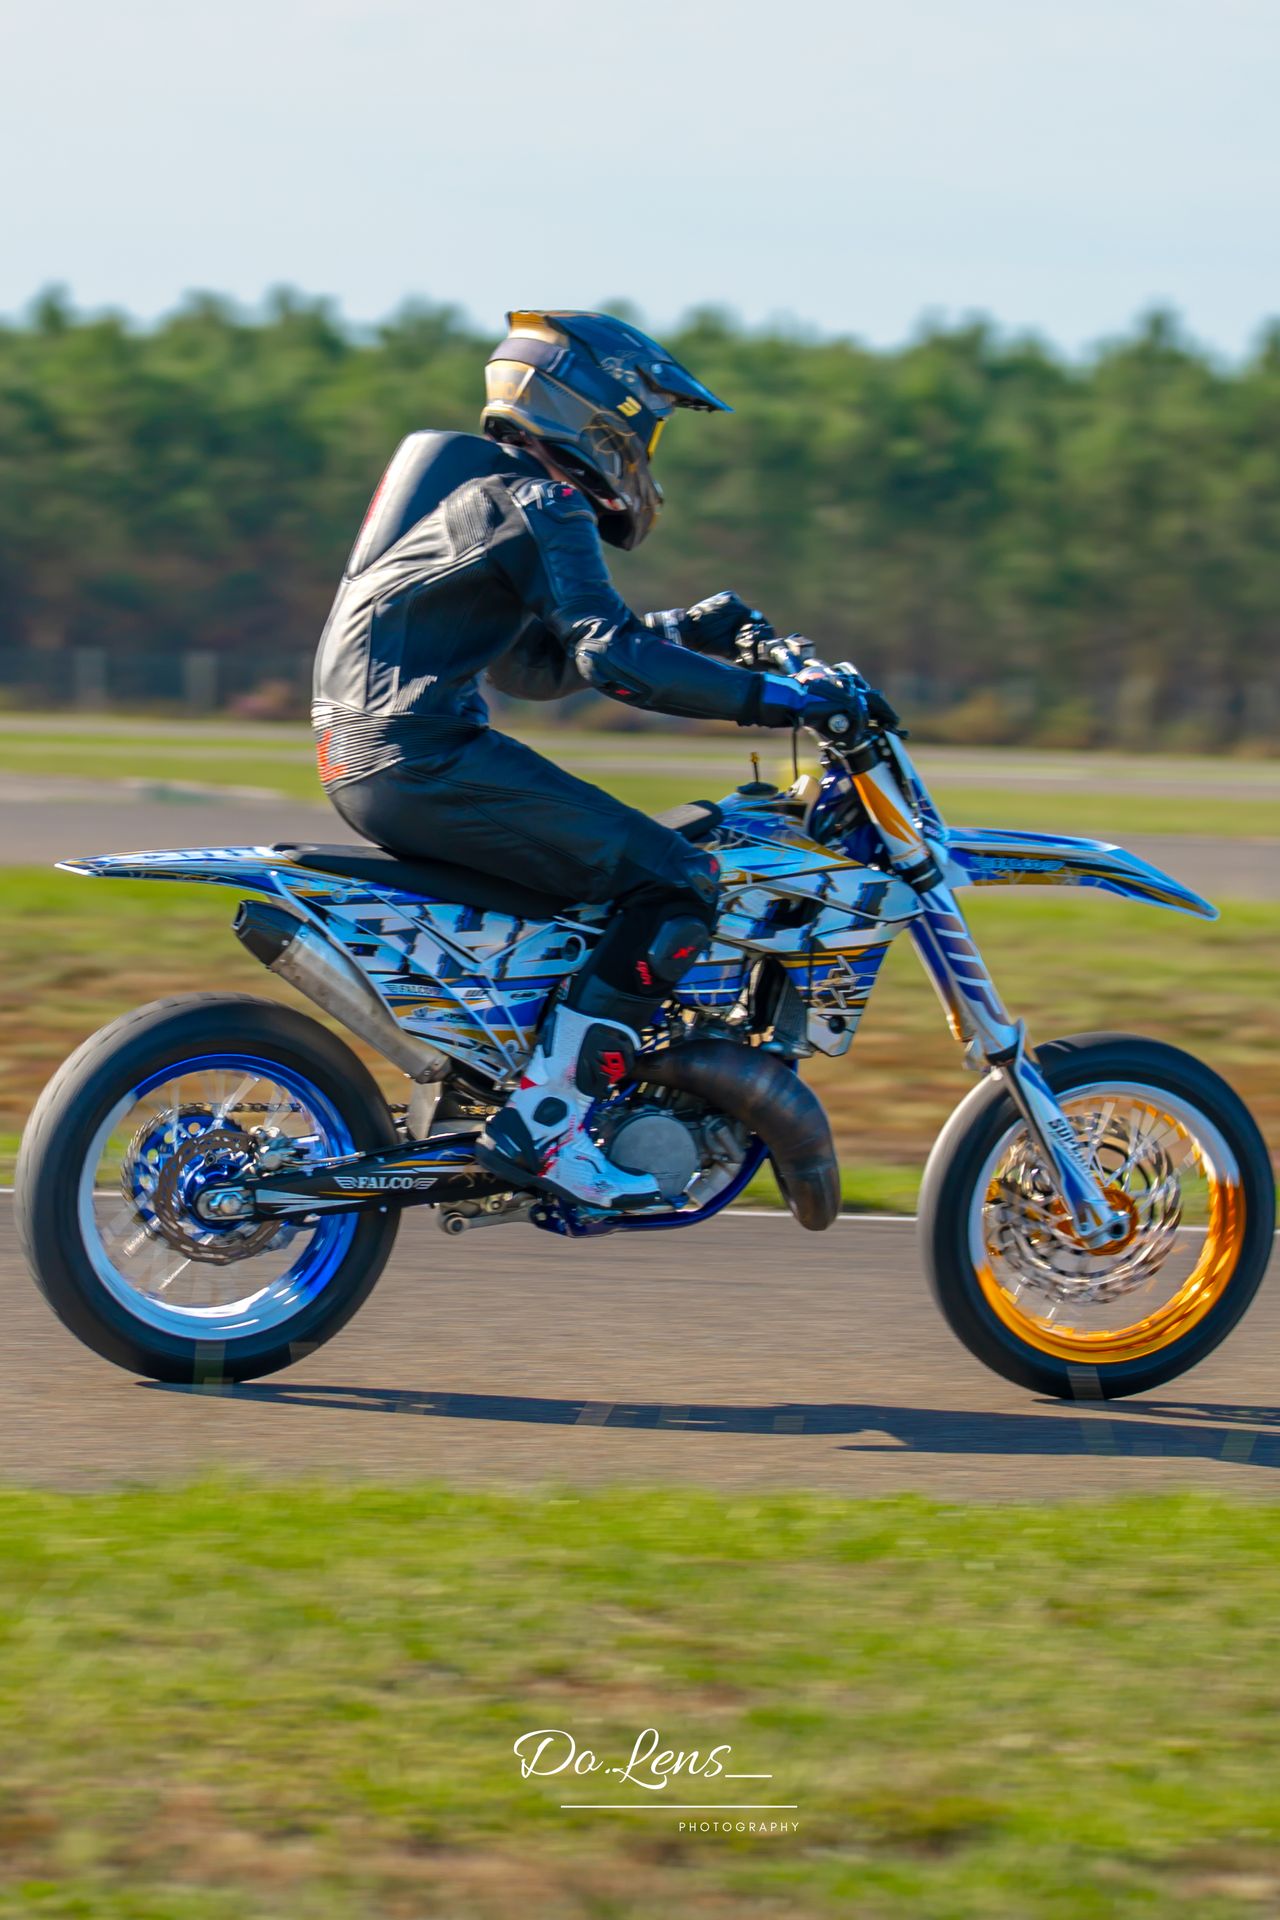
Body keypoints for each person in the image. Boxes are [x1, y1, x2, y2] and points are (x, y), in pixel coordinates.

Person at [312, 309, 847, 1210]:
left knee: (607, 895)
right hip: (422, 755)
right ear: (598, 413)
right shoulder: (541, 499)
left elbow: (536, 665)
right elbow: (613, 662)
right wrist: (787, 701)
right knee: (680, 884)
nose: (646, 450)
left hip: (375, 758)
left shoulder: (490, 496)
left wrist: (689, 629)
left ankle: (519, 1084)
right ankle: (546, 1129)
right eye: (646, 428)